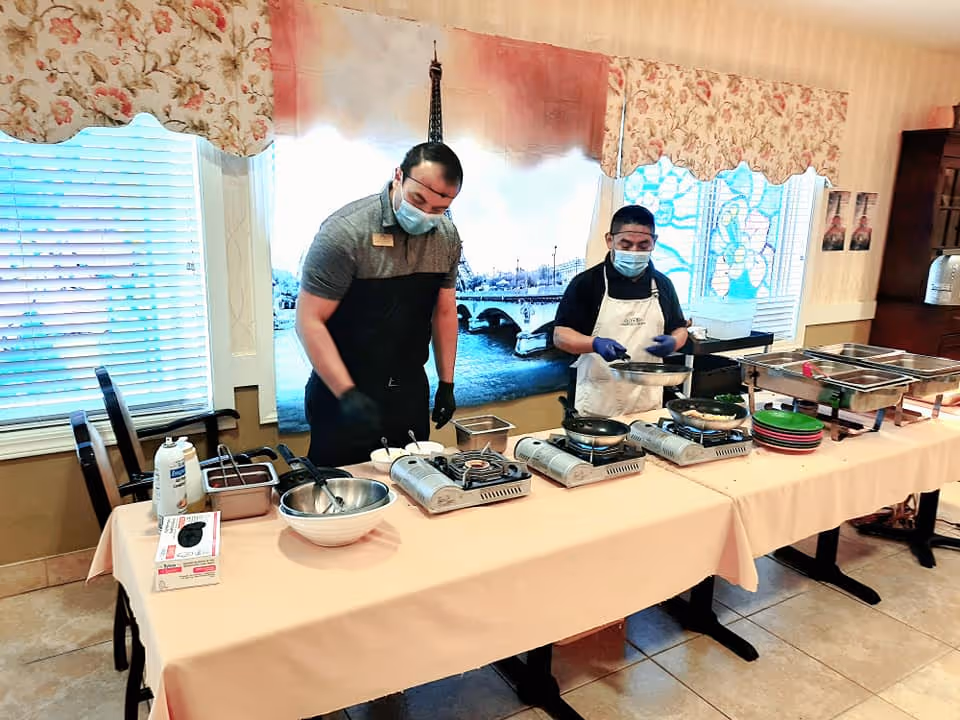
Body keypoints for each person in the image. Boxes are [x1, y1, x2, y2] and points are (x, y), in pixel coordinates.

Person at [296, 142, 463, 467]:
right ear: (398, 176)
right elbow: (309, 320)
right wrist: (346, 393)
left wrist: (446, 382)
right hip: (343, 392)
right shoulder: (344, 234)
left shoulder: (446, 237)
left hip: (408, 392)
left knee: (416, 488)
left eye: (439, 209)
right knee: (341, 492)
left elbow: (444, 311)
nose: (426, 214)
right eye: (418, 200)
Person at [553, 204, 688, 416]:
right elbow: (561, 336)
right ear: (610, 240)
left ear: (655, 242)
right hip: (598, 403)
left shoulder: (663, 285)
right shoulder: (587, 284)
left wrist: (674, 342)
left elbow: (680, 329)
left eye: (643, 245)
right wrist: (594, 344)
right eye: (626, 244)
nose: (634, 252)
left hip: (647, 403)